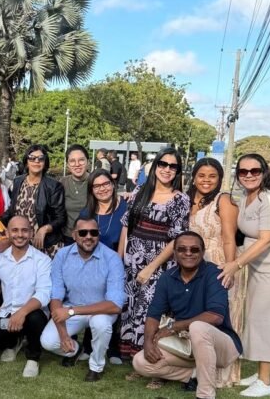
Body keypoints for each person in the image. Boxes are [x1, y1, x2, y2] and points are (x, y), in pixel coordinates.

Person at [217, 154, 270, 397]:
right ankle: (263, 372)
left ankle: (265, 383)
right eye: (243, 172)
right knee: (255, 318)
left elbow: (266, 240)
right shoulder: (246, 197)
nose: (249, 175)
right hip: (258, 267)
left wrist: (235, 265)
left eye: (255, 170)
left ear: (264, 172)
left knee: (267, 319)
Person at [133, 231, 242, 399]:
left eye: (194, 249)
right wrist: (147, 342)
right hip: (185, 346)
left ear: (203, 252)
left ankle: (205, 394)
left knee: (198, 327)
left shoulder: (215, 273)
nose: (188, 253)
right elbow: (154, 314)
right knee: (140, 362)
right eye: (182, 249)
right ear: (175, 253)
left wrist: (173, 326)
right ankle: (194, 374)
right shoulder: (167, 277)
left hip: (222, 346)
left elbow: (215, 316)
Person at [119, 147, 189, 375]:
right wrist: (121, 259)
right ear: (155, 166)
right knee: (131, 308)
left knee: (151, 312)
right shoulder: (140, 190)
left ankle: (154, 362)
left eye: (173, 166)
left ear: (178, 171)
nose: (167, 170)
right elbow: (126, 226)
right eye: (163, 164)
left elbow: (176, 239)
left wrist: (151, 267)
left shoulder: (180, 200)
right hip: (132, 259)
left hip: (159, 263)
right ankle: (134, 360)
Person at [40, 217, 126, 382]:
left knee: (101, 324)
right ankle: (75, 350)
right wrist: (64, 335)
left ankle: (96, 366)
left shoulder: (112, 258)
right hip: (71, 307)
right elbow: (56, 295)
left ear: (98, 235)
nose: (88, 236)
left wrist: (72, 311)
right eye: (83, 232)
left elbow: (115, 305)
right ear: (74, 235)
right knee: (48, 342)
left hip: (101, 310)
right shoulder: (62, 255)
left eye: (93, 232)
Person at [187, 157, 244, 387]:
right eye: (201, 175)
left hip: (219, 264)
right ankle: (194, 371)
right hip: (193, 265)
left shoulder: (224, 200)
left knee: (218, 319)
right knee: (195, 318)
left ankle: (218, 374)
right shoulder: (189, 199)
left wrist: (229, 269)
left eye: (212, 176)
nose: (206, 180)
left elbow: (229, 239)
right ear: (194, 177)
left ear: (220, 179)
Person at [0, 215, 51, 378]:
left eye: (24, 230)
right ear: (7, 232)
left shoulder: (42, 260)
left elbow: (44, 294)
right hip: (7, 315)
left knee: (34, 319)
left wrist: (21, 314)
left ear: (31, 233)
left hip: (32, 316)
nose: (20, 235)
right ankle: (14, 341)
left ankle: (33, 357)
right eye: (15, 230)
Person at [76, 169, 129, 364]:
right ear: (91, 189)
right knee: (94, 302)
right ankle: (89, 345)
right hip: (93, 263)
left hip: (119, 261)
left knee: (115, 304)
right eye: (97, 186)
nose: (102, 189)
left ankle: (114, 347)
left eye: (106, 183)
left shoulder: (125, 206)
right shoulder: (87, 213)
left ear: (113, 184)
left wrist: (118, 262)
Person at [3, 144, 65, 258]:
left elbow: (60, 218)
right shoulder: (17, 181)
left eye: (41, 158)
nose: (36, 161)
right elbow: (12, 210)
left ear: (45, 162)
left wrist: (44, 229)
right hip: (21, 242)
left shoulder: (54, 186)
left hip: (45, 244)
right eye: (32, 158)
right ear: (26, 161)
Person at [59, 145, 90, 246]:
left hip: (91, 237)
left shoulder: (95, 181)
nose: (77, 164)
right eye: (72, 161)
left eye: (81, 160)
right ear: (67, 164)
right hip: (68, 238)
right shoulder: (62, 183)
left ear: (88, 162)